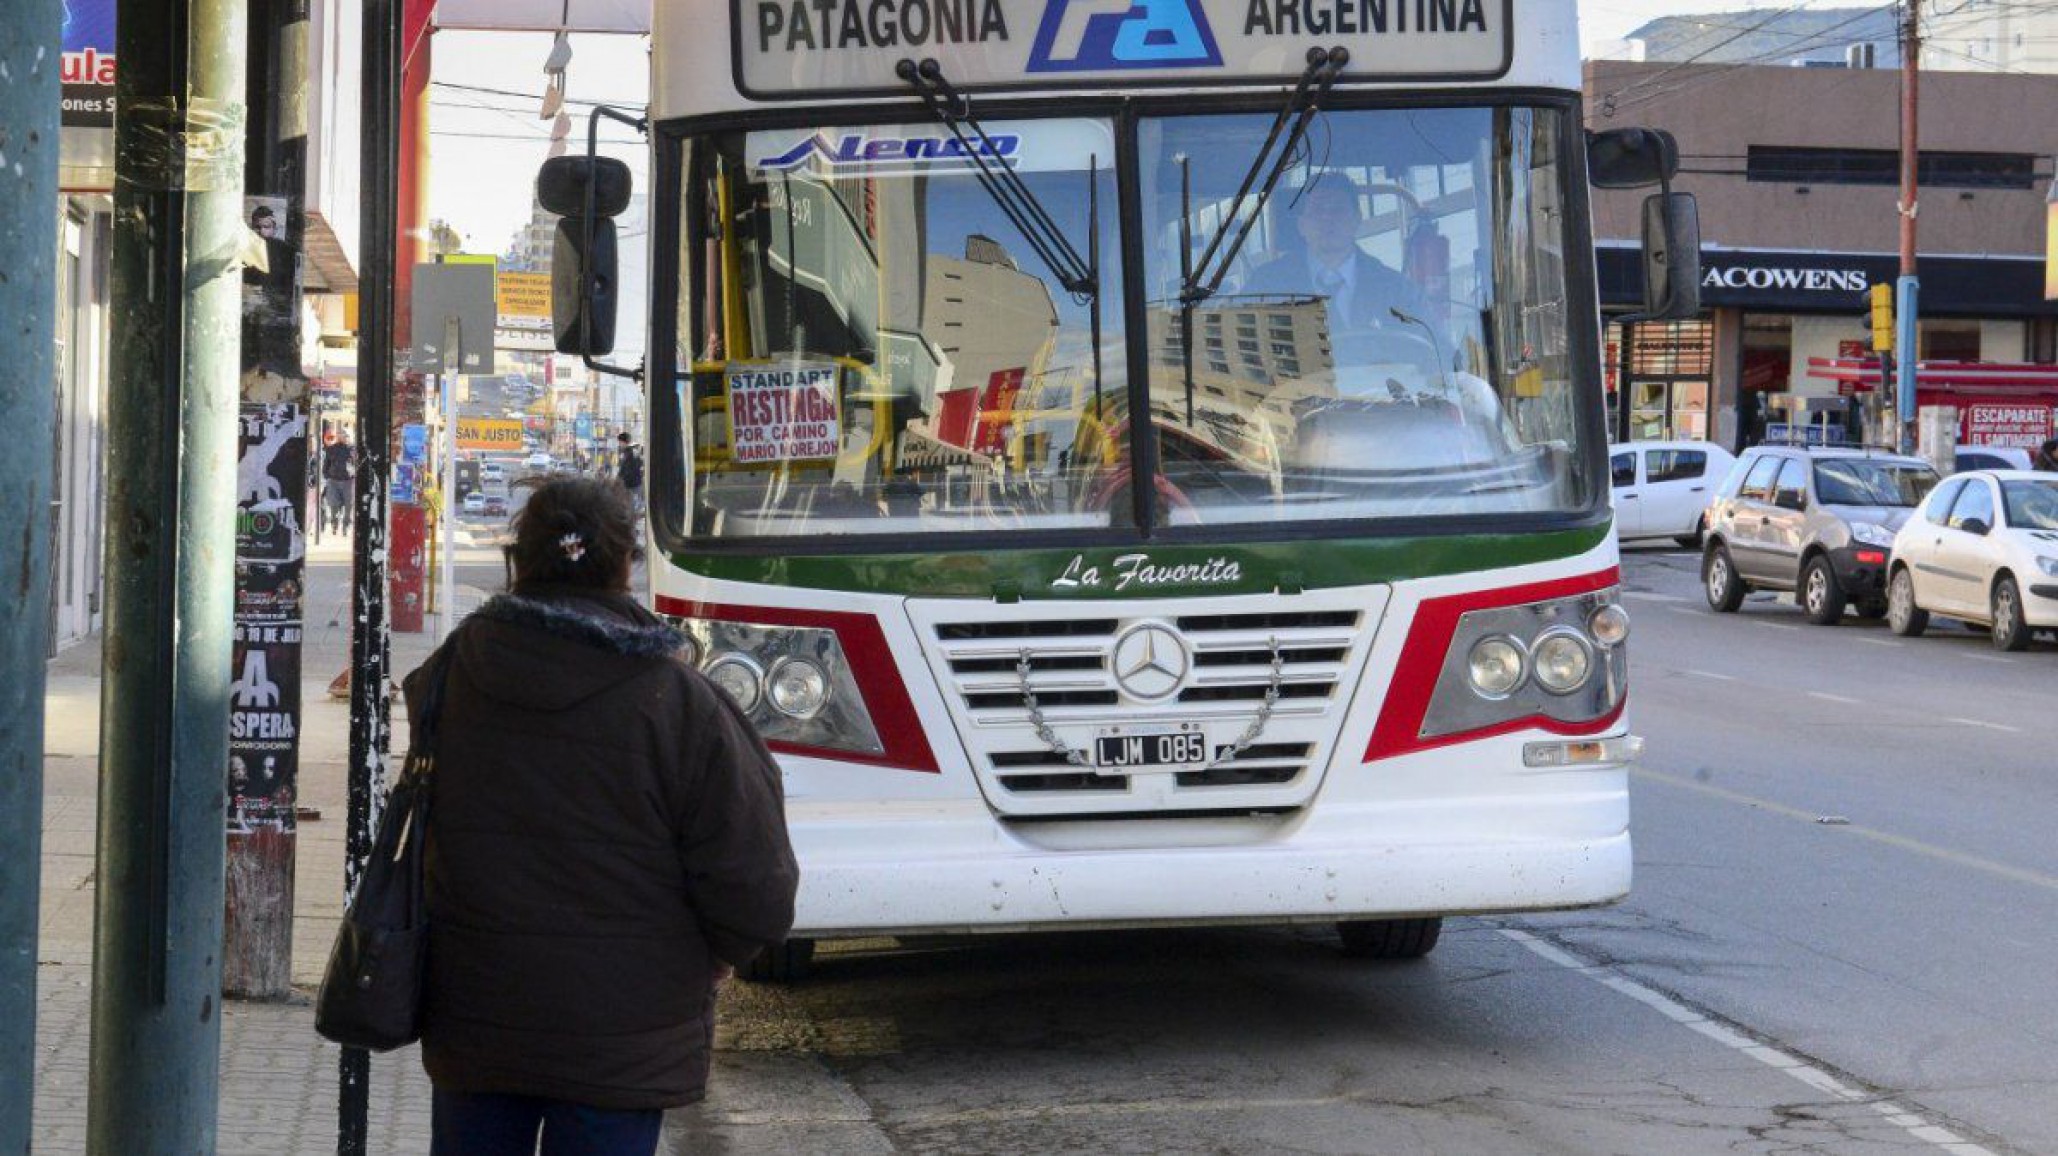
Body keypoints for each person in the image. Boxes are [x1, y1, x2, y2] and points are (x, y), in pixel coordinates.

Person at [404, 478, 799, 1156]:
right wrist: (724, 953)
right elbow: (755, 884)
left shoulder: (452, 676)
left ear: (518, 562)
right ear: (625, 565)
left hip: (477, 1013)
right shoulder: (681, 702)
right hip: (623, 1035)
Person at [1243, 175, 1433, 338]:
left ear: (1357, 219)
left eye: (1338, 210)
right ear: (1301, 225)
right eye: (1318, 210)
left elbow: (1438, 354)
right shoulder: (1264, 287)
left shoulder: (1399, 290)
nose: (1327, 219)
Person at [320, 431, 353, 535]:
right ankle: (335, 524)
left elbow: (355, 464)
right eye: (340, 436)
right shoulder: (331, 449)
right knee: (334, 505)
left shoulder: (350, 450)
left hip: (347, 480)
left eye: (344, 436)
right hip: (333, 480)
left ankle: (345, 527)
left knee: (348, 505)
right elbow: (326, 465)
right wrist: (327, 476)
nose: (342, 438)